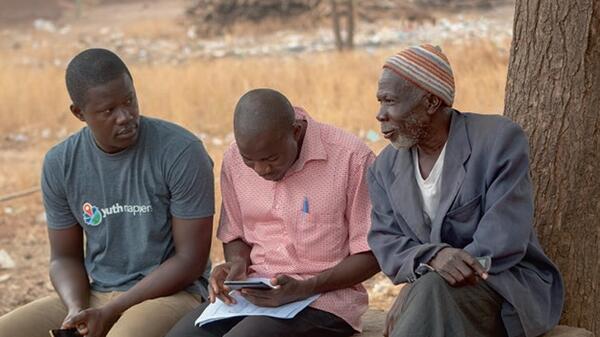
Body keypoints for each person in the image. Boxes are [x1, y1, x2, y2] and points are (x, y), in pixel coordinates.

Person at [0, 48, 215, 337]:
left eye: (129, 101)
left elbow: (191, 261)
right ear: (79, 113)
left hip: (171, 294)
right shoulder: (61, 163)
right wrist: (76, 309)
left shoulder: (180, 151)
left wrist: (112, 312)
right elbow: (64, 258)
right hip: (96, 296)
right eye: (108, 110)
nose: (125, 116)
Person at [367, 44, 564, 337]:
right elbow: (386, 242)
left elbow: (504, 236)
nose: (380, 115)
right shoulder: (384, 167)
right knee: (432, 292)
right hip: (433, 292)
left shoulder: (497, 141)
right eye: (380, 102)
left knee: (432, 290)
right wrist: (432, 260)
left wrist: (421, 282)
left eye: (389, 101)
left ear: (431, 102)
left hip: (501, 285)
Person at [166, 88, 380, 337]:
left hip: (323, 299)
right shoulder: (234, 160)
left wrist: (305, 287)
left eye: (271, 158)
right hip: (255, 293)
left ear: (296, 132)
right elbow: (236, 235)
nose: (261, 170)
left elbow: (371, 253)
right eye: (250, 160)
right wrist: (237, 266)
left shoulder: (350, 159)